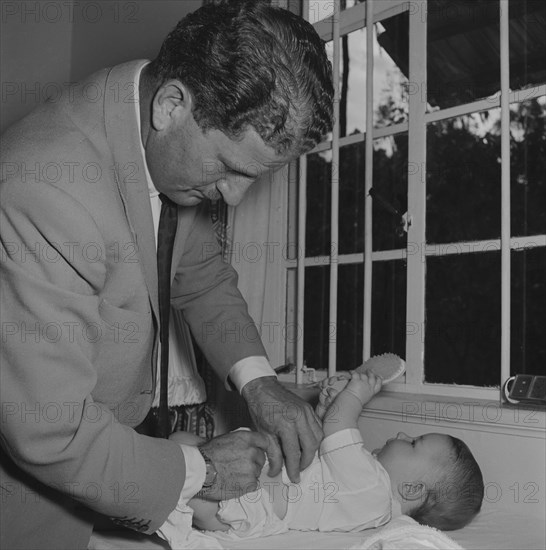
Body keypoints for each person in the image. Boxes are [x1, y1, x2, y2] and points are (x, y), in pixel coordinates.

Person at [0, 1, 334, 549]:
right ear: (171, 105)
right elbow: (49, 430)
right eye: (229, 167)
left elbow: (198, 273)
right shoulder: (45, 192)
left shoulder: (162, 146)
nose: (234, 196)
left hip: (108, 457)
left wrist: (260, 382)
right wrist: (200, 470)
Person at [183, 371, 484, 540]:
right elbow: (321, 448)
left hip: (248, 496)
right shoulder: (373, 505)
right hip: (255, 505)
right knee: (182, 448)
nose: (403, 436)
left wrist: (356, 394)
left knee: (181, 460)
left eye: (414, 443)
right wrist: (327, 409)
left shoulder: (372, 484)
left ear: (413, 489)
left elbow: (340, 426)